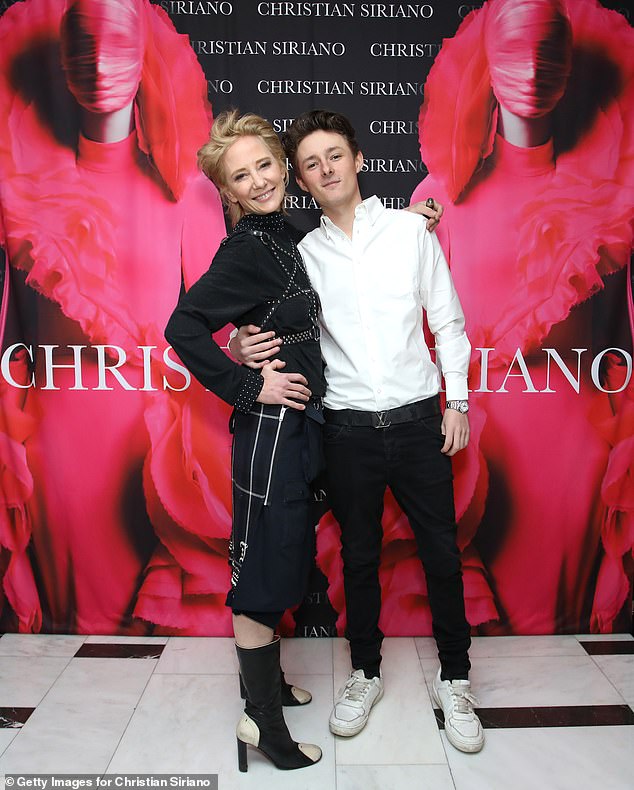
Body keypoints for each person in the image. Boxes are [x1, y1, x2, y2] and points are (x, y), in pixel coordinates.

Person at [231, 109, 484, 753]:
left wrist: (457, 402)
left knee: (442, 554)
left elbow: (448, 323)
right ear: (302, 181)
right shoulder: (303, 256)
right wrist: (237, 339)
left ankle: (455, 679)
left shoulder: (408, 231)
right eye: (311, 163)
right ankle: (365, 672)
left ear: (357, 160)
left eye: (334, 156)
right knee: (360, 557)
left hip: (420, 420)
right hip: (346, 429)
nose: (325, 169)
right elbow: (269, 322)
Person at [0, 0, 227, 633]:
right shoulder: (27, 189)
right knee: (77, 623)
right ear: (65, 66)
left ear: (144, 62)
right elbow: (11, 326)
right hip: (57, 436)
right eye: (83, 49)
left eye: (116, 47)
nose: (99, 66)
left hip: (156, 436)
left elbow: (221, 325)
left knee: (156, 624)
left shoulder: (188, 191)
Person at [411, 0, 634, 634]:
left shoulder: (605, 203)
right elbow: (417, 330)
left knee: (554, 632)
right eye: (516, 49)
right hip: (468, 433)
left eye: (550, 51)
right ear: (487, 62)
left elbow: (618, 334)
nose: (533, 69)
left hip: (572, 441)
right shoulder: (437, 198)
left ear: (568, 67)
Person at [164, 110, 326, 771]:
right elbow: (184, 326)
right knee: (262, 570)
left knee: (279, 554)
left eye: (266, 165)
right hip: (271, 427)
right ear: (226, 192)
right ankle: (266, 730)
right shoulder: (248, 250)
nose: (259, 180)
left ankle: (270, 688)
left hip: (298, 426)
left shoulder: (288, 234)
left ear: (283, 166)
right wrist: (241, 384)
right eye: (242, 175)